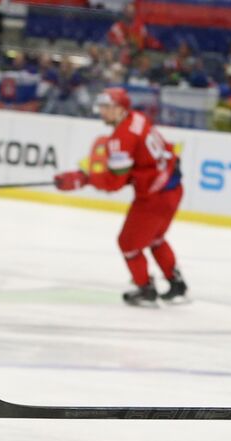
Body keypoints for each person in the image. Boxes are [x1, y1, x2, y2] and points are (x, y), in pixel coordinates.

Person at [53, 88, 186, 307]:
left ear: (120, 109)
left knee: (128, 243)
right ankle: (177, 285)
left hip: (154, 196)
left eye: (107, 107)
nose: (102, 112)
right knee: (155, 239)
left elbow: (114, 183)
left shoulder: (120, 138)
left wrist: (83, 179)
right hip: (172, 189)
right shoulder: (138, 118)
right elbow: (134, 167)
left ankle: (145, 289)